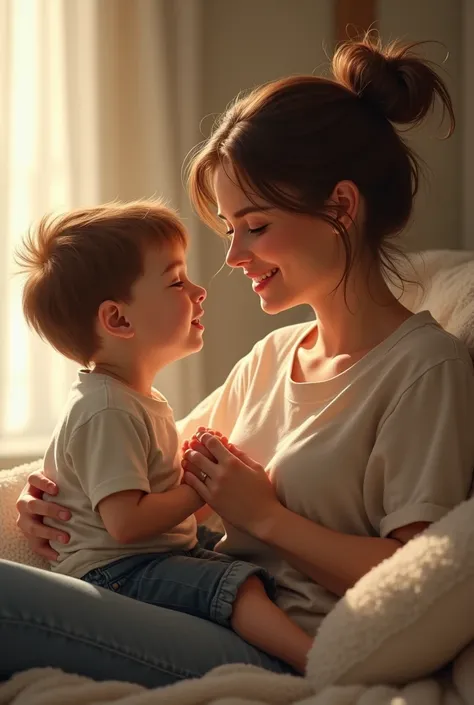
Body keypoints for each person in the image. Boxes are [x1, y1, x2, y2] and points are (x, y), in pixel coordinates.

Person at [5, 36, 474, 687]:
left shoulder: (426, 370)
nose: (232, 258)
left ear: (341, 206)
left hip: (284, 643)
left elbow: (419, 580)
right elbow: (149, 475)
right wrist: (54, 498)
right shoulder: (271, 357)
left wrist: (266, 516)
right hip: (198, 602)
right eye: (229, 229)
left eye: (254, 226)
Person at [13, 200, 312, 674]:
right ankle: (316, 666)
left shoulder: (131, 399)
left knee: (227, 558)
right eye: (176, 281)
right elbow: (126, 524)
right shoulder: (108, 408)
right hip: (120, 572)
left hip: (144, 558)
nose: (198, 290)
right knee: (237, 585)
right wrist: (198, 485)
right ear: (118, 320)